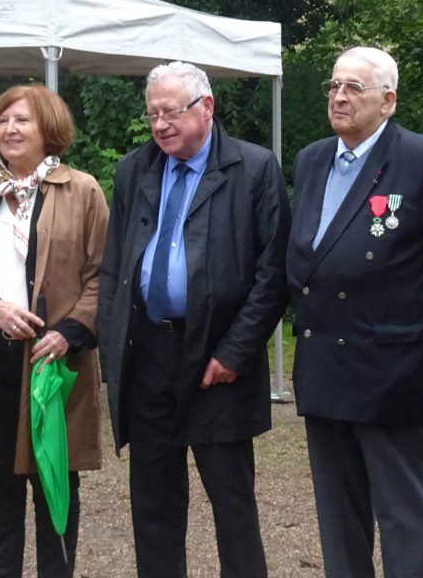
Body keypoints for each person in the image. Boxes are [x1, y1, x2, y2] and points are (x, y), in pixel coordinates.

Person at [98, 61, 290, 578]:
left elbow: (273, 273)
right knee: (153, 500)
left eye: (172, 112)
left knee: (231, 501)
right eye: (153, 113)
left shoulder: (253, 167)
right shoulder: (135, 169)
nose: (161, 124)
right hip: (149, 354)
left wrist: (234, 352)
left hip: (216, 355)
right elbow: (115, 264)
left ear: (206, 107)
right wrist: (114, 349)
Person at [287, 46, 423, 577]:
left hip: (394, 371)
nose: (339, 96)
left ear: (388, 100)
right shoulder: (312, 159)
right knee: (339, 520)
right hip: (326, 364)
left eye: (354, 87)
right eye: (334, 86)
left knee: (407, 519)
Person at [0, 85, 108, 578]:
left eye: (22, 120)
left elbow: (104, 275)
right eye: (3, 120)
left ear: (49, 129)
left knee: (55, 492)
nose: (9, 129)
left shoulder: (83, 190)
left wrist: (70, 331)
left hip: (55, 364)